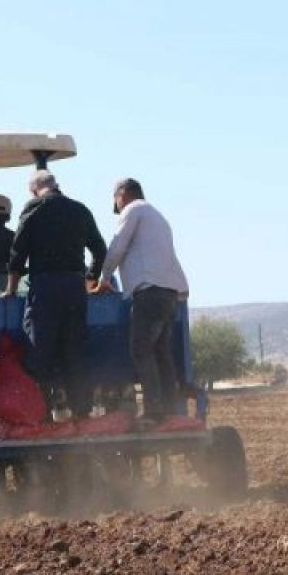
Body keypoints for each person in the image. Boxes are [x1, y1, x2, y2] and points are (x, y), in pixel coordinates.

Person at [3, 170, 107, 420]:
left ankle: (43, 413)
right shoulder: (80, 210)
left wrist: (11, 289)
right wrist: (90, 279)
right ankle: (82, 414)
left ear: (34, 189)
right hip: (74, 287)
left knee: (39, 349)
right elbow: (100, 249)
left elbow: (18, 253)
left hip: (45, 287)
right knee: (74, 349)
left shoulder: (34, 209)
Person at [96, 178, 190, 426]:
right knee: (162, 352)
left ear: (123, 194)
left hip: (148, 292)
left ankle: (153, 411)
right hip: (169, 293)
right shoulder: (159, 218)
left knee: (141, 349)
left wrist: (104, 277)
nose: (117, 205)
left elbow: (117, 246)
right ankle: (170, 408)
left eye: (116, 200)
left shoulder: (133, 210)